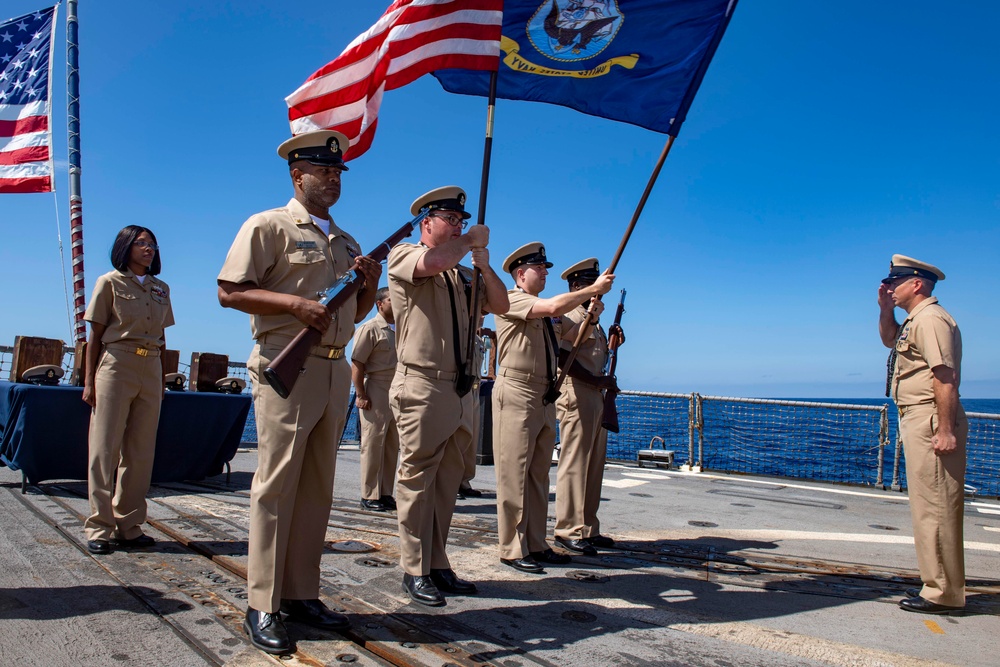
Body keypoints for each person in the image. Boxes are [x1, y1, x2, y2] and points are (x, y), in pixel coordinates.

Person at [217, 130, 381, 654]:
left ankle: (301, 595)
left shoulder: (349, 243)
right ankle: (262, 602)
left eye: (338, 172)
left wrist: (370, 284)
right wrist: (293, 306)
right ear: (298, 176)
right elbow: (229, 291)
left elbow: (355, 314)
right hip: (288, 370)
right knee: (277, 486)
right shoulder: (268, 225)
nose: (333, 178)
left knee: (316, 488)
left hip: (334, 373)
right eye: (324, 170)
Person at [387, 185, 509, 606]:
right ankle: (414, 568)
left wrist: (485, 264)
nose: (458, 225)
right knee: (417, 479)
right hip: (422, 384)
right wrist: (467, 241)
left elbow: (502, 304)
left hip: (459, 388)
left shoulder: (462, 274)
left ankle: (438, 563)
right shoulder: (405, 254)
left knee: (446, 482)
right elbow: (433, 261)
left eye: (461, 220)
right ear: (427, 224)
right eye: (450, 220)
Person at [493, 243, 614, 574]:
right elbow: (551, 308)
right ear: (521, 274)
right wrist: (593, 288)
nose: (546, 272)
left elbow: (571, 335)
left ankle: (536, 543)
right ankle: (512, 548)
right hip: (517, 390)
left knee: (536, 475)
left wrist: (593, 315)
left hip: (544, 392)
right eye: (539, 268)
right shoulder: (512, 298)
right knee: (514, 474)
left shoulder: (550, 313)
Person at [878, 254, 967, 615]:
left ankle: (943, 593)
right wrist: (886, 309)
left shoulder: (930, 320)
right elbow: (890, 342)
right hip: (918, 417)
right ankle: (938, 585)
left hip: (930, 418)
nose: (889, 287)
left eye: (894, 282)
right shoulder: (916, 320)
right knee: (927, 507)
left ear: (916, 283)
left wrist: (945, 430)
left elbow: (945, 377)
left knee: (937, 508)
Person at [82, 225, 174, 556]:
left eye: (152, 243)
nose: (149, 249)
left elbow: (163, 338)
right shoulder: (109, 283)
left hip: (149, 366)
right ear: (125, 247)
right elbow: (95, 335)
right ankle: (99, 526)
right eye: (141, 244)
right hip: (116, 364)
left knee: (140, 450)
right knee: (104, 449)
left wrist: (161, 377)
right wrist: (89, 379)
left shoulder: (161, 289)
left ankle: (129, 525)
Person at [554, 258, 625, 557]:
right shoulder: (571, 314)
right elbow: (561, 357)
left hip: (594, 395)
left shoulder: (590, 316)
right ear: (577, 286)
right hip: (577, 393)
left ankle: (588, 527)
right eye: (591, 285)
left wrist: (613, 347)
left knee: (594, 466)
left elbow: (593, 356)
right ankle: (568, 528)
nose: (599, 292)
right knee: (575, 464)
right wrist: (597, 380)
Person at [352, 286, 399, 512]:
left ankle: (386, 492)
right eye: (392, 299)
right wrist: (361, 394)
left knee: (392, 445)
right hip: (377, 388)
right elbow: (358, 363)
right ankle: (369, 494)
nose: (397, 302)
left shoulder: (400, 329)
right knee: (373, 443)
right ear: (380, 303)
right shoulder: (370, 328)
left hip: (397, 390)